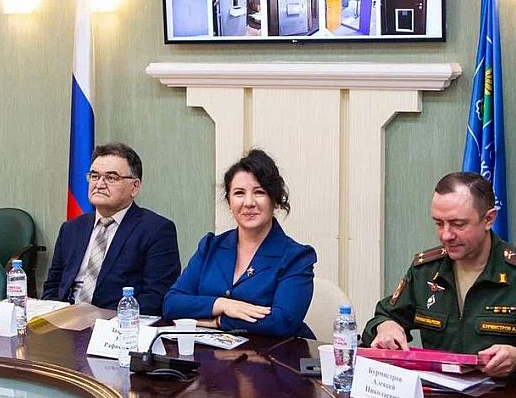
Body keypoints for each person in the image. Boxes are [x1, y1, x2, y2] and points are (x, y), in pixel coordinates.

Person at [363, 172, 516, 379]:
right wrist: (385, 326)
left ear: (489, 219)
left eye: (458, 224)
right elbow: (383, 316)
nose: (446, 235)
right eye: (439, 223)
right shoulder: (426, 271)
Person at [163, 149, 316, 338]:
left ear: (275, 201)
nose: (248, 202)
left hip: (275, 354)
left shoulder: (296, 257)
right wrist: (222, 304)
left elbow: (282, 322)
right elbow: (172, 303)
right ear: (229, 202)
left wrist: (219, 322)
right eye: (239, 193)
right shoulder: (210, 246)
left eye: (259, 192)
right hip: (211, 353)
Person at [42, 142, 180, 316]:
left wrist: (104, 318)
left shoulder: (156, 230)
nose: (99, 184)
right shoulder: (71, 228)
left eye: (111, 178)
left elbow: (157, 296)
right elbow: (53, 285)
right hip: (66, 320)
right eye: (94, 176)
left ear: (135, 187)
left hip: (116, 324)